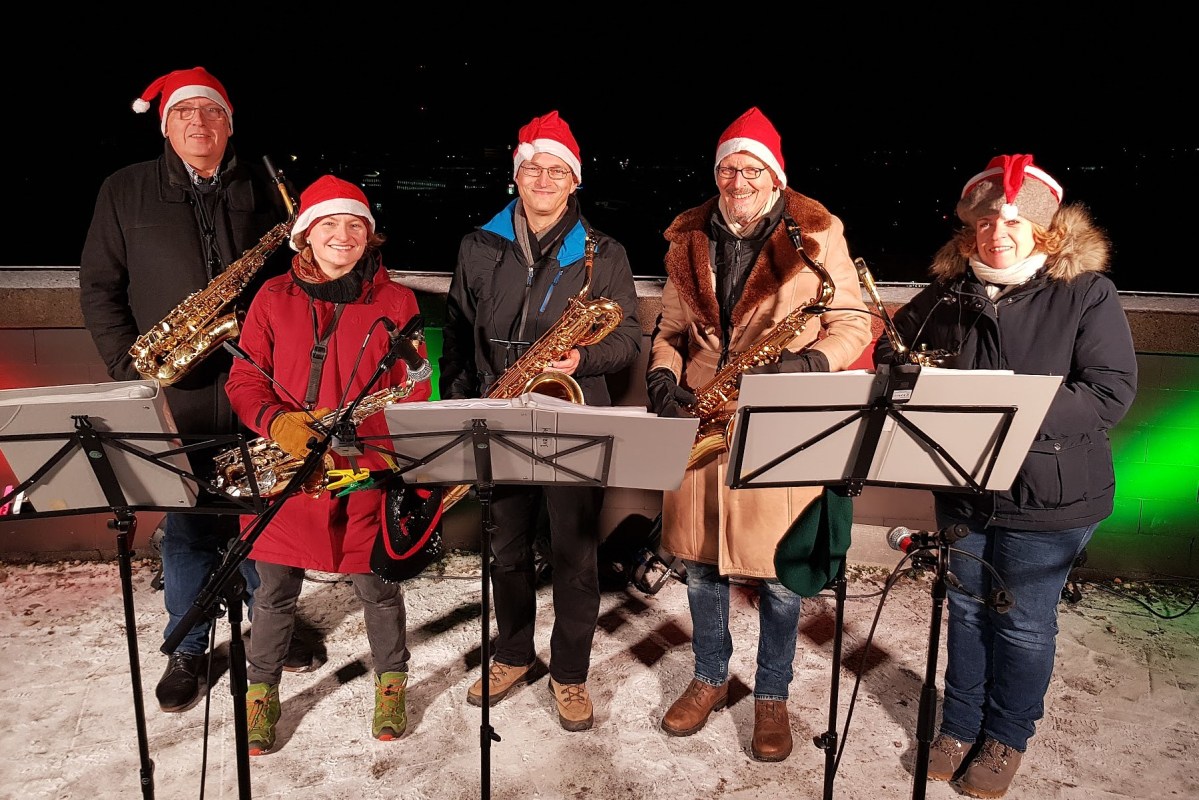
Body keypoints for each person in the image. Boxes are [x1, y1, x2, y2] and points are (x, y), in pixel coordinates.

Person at [872, 154, 1137, 797]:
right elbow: (890, 352)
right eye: (988, 220)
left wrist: (1012, 406)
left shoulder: (1084, 292)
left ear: (1043, 231)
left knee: (1020, 621)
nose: (999, 232)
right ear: (971, 230)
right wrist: (907, 377)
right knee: (964, 609)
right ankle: (960, 725)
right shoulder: (947, 294)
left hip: (1048, 493)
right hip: (965, 485)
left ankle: (1006, 736)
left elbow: (1110, 392)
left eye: (1014, 221)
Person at [79, 66, 306, 714]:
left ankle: (272, 628)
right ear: (166, 124)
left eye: (211, 113)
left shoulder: (264, 190)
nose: (198, 124)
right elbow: (98, 286)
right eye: (185, 114)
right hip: (173, 392)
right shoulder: (124, 190)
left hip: (257, 385)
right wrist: (130, 371)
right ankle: (188, 644)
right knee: (185, 529)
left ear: (229, 124)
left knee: (263, 515)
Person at [646, 107, 871, 762]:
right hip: (698, 417)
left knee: (778, 572)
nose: (737, 179)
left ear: (774, 176)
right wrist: (663, 377)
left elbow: (852, 321)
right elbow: (667, 331)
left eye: (751, 168)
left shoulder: (815, 232)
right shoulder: (688, 235)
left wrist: (810, 363)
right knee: (699, 564)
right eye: (727, 167)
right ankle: (710, 677)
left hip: (780, 416)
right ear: (716, 174)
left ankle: (770, 694)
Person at [440, 110, 641, 732]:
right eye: (534, 167)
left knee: (576, 554)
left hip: (573, 413)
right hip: (498, 411)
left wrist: (583, 356)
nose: (544, 178)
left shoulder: (603, 253)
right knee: (504, 547)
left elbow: (629, 336)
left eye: (557, 170)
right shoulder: (479, 244)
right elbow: (455, 330)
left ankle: (570, 673)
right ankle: (514, 653)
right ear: (516, 174)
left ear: (573, 180)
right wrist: (458, 406)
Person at [224, 175, 432, 754]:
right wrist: (277, 423)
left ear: (370, 236)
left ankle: (391, 682)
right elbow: (244, 380)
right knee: (272, 593)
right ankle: (260, 696)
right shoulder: (271, 298)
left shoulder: (397, 301)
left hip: (364, 468)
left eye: (355, 226)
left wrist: (382, 447)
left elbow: (414, 387)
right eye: (330, 225)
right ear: (305, 235)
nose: (343, 236)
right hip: (287, 467)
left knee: (379, 587)